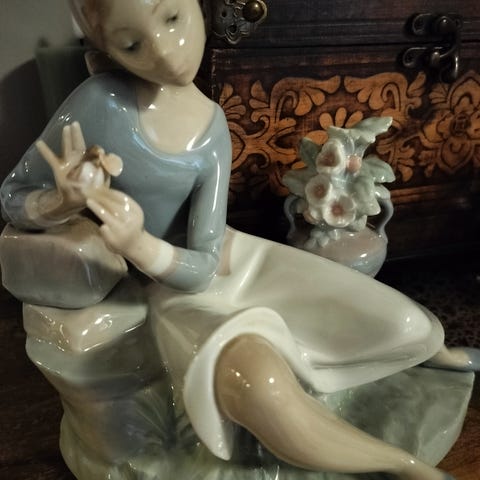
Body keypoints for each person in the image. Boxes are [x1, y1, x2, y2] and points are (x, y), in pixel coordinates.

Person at [0, 1, 458, 478]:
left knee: (398, 319)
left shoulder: (210, 125)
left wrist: (139, 241)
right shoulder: (98, 102)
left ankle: (441, 357)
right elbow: (13, 194)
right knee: (259, 386)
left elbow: (206, 256)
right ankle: (401, 465)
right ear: (106, 51)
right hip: (165, 287)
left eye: (172, 19)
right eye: (132, 44)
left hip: (223, 257)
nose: (165, 52)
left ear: (199, 8)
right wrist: (63, 202)